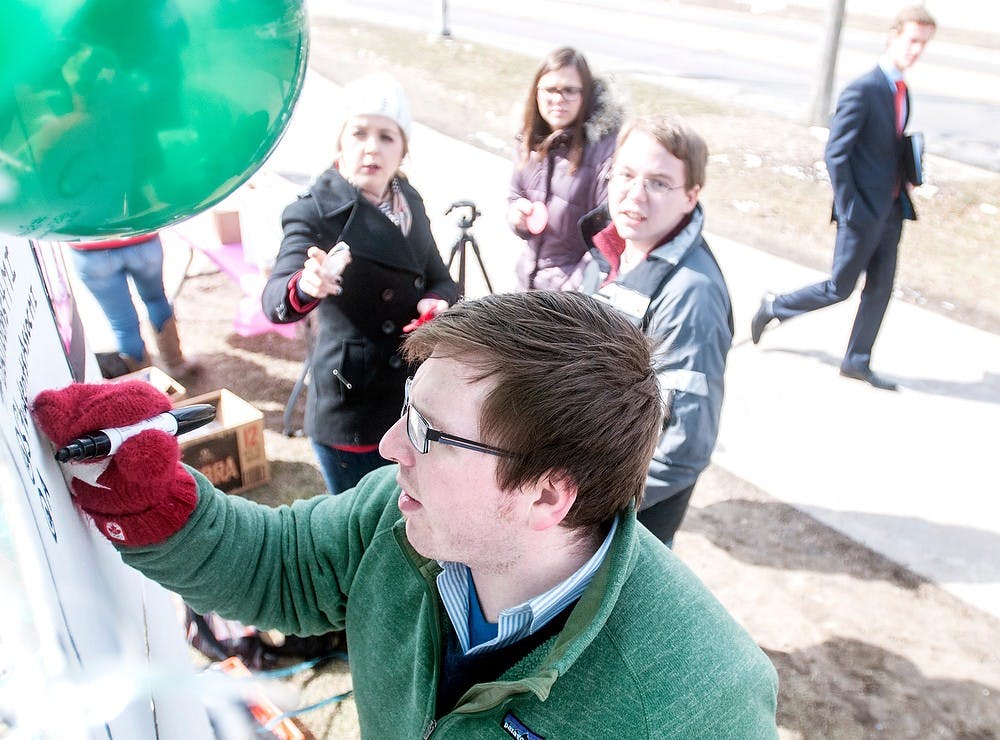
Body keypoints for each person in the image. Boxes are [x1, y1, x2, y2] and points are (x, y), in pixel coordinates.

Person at [32, 291, 779, 739]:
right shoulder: (405, 515)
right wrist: (148, 498)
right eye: (406, 413)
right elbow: (281, 568)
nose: (391, 448)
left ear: (547, 496)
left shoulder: (695, 702)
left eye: (429, 433)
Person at [261, 73, 458, 494]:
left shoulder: (409, 199)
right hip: (352, 405)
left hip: (409, 394)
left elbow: (440, 277)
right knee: (357, 532)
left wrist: (436, 304)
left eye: (387, 136)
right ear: (339, 143)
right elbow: (276, 297)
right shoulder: (315, 211)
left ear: (403, 149)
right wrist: (307, 284)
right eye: (359, 133)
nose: (372, 147)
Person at [750, 6, 937, 391]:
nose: (917, 50)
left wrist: (906, 173)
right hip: (862, 212)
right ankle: (774, 306)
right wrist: (851, 207)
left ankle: (856, 361)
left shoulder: (900, 90)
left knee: (881, 287)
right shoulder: (863, 89)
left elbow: (884, 146)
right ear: (894, 36)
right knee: (839, 287)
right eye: (912, 40)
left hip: (891, 209)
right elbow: (836, 152)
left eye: (924, 44)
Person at [579, 115, 732, 547]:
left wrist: (592, 503)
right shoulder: (612, 249)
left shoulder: (691, 295)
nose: (635, 195)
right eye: (626, 175)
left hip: (619, 520)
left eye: (659, 183)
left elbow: (684, 448)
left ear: (691, 197)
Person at [507, 47, 623, 291]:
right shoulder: (528, 140)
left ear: (586, 95)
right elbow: (515, 195)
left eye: (569, 90)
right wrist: (517, 216)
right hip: (527, 282)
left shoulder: (604, 150)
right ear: (536, 92)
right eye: (550, 89)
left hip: (571, 296)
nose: (558, 99)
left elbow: (610, 233)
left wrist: (577, 284)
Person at [68, 233, 200, 378]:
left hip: (91, 251)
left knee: (123, 324)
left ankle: (147, 383)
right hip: (141, 240)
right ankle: (177, 364)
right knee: (156, 300)